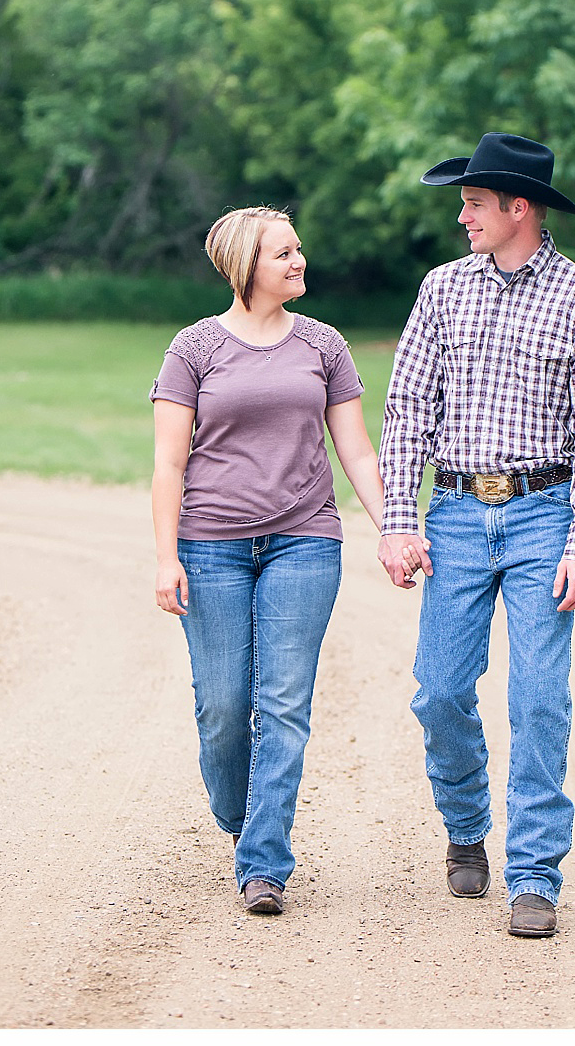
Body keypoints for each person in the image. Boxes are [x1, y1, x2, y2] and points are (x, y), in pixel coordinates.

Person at [377, 132, 575, 939]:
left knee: (540, 698)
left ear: (519, 208)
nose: (461, 216)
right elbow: (409, 408)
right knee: (440, 692)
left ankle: (534, 875)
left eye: (473, 202)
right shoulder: (442, 290)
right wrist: (400, 521)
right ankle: (465, 826)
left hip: (543, 515)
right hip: (451, 512)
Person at [151, 205, 391, 916]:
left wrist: (392, 527)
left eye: (298, 249)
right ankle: (241, 817)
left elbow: (356, 450)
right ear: (243, 267)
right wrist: (166, 557)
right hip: (211, 545)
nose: (299, 261)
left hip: (304, 540)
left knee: (282, 705)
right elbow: (168, 463)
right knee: (223, 707)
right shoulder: (194, 349)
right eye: (282, 253)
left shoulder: (323, 344)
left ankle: (264, 863)